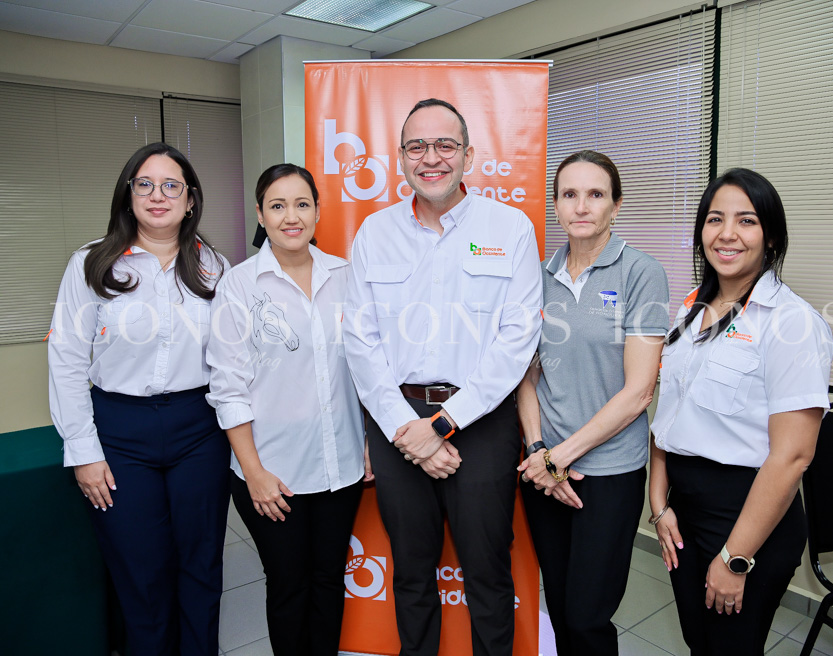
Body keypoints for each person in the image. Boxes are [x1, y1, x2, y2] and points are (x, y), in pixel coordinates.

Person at [342, 98, 543, 656]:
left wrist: (444, 424)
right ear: (401, 157)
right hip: (398, 421)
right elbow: (360, 341)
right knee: (409, 571)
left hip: (480, 421)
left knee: (487, 573)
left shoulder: (510, 228)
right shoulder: (374, 233)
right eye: (417, 147)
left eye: (445, 145)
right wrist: (408, 429)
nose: (431, 158)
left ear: (468, 155)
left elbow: (517, 338)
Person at [47, 142, 230, 656]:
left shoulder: (214, 266)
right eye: (144, 184)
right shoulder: (91, 263)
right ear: (128, 195)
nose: (158, 195)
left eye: (172, 185)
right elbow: (65, 360)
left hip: (200, 428)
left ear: (190, 199)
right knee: (140, 570)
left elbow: (234, 360)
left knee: (200, 565)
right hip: (119, 432)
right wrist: (82, 450)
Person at [649, 168, 833, 655]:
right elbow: (669, 416)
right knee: (700, 644)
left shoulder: (793, 323)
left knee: (731, 649)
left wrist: (735, 559)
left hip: (748, 515)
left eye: (746, 220)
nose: (727, 233)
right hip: (684, 509)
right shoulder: (693, 311)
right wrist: (659, 503)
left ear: (770, 236)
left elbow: (792, 457)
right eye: (714, 219)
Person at [206, 164, 369, 656]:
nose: (291, 216)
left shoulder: (347, 277)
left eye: (302, 204)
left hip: (340, 467)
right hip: (272, 473)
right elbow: (227, 387)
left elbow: (367, 371)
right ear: (261, 214)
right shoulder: (239, 286)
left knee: (327, 584)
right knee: (289, 586)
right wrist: (253, 472)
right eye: (277, 206)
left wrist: (365, 446)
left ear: (318, 211)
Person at [516, 150, 669, 655]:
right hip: (544, 470)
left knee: (587, 614)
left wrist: (562, 457)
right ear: (556, 206)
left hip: (607, 473)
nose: (582, 206)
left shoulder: (641, 273)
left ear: (616, 206)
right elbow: (527, 378)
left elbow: (638, 392)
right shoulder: (537, 276)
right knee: (560, 607)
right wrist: (540, 449)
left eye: (596, 194)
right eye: (569, 194)